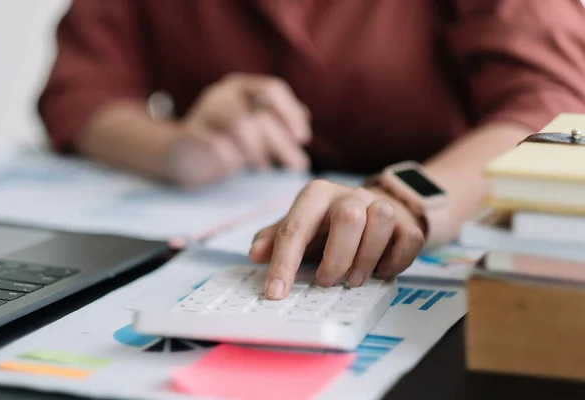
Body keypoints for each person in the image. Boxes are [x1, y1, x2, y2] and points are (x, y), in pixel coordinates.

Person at [39, 1, 585, 300]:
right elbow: (81, 91)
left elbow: (555, 110)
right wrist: (176, 149)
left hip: (440, 223)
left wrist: (405, 201)